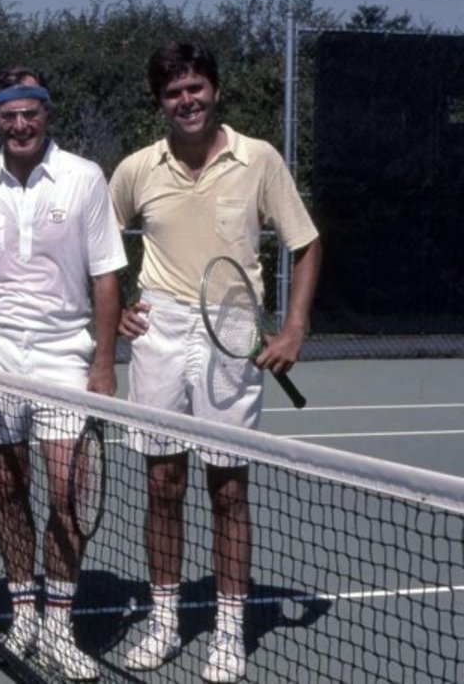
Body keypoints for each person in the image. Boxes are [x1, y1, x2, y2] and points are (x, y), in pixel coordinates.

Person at [108, 41, 321, 683]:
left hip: (232, 331)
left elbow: (306, 244)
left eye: (196, 87)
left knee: (228, 489)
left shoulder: (258, 159)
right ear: (160, 102)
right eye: (174, 92)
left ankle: (228, 632)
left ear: (216, 91)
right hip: (160, 329)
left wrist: (293, 328)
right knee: (161, 485)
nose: (187, 100)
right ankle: (164, 620)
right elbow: (99, 246)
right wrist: (116, 305)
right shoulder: (136, 170)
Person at [0, 67, 125, 680]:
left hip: (65, 358)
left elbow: (107, 276)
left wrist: (103, 366)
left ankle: (59, 624)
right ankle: (22, 610)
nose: (21, 124)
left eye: (31, 112)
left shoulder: (85, 177)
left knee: (65, 495)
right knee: (8, 489)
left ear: (47, 115)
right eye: (9, 114)